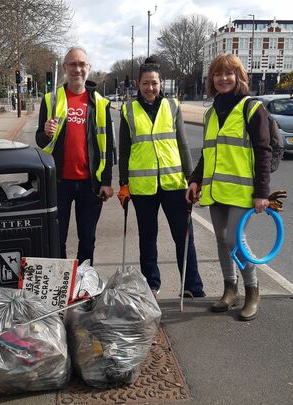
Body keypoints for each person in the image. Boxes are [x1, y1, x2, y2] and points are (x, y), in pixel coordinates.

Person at [186, 53, 272, 321]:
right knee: (222, 241)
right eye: (218, 74)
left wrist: (262, 193)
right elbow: (207, 152)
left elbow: (264, 152)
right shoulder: (211, 113)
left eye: (229, 73)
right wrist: (194, 180)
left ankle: (253, 292)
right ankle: (229, 290)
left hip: (242, 191)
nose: (223, 78)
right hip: (216, 190)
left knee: (236, 240)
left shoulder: (252, 109)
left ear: (239, 77)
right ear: (212, 79)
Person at [117, 57, 204, 299]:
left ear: (160, 83)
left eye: (154, 83)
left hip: (174, 183)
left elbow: (183, 145)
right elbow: (123, 150)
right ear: (138, 84)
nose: (150, 88)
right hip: (143, 186)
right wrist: (123, 183)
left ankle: (192, 287)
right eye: (146, 83)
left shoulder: (173, 106)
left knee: (184, 236)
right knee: (147, 239)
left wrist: (191, 179)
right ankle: (151, 287)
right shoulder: (128, 110)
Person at [35, 47, 114, 265]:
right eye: (72, 64)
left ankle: (82, 283)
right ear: (64, 68)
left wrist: (106, 182)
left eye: (82, 64)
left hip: (90, 184)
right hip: (59, 183)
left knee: (87, 239)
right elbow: (40, 140)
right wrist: (45, 132)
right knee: (57, 238)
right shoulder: (51, 99)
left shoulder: (100, 103)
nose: (77, 69)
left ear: (89, 69)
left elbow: (108, 146)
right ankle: (61, 282)